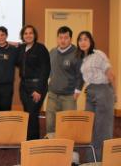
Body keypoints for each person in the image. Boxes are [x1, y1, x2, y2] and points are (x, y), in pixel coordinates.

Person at [76, 31, 116, 162]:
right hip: (91, 91)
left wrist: (114, 93)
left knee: (102, 130)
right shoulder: (84, 58)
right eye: (80, 39)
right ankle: (91, 160)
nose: (83, 42)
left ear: (91, 41)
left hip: (103, 91)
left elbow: (111, 74)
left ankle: (102, 161)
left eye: (85, 39)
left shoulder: (98, 54)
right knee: (90, 128)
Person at [46, 26, 83, 135]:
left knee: (68, 124)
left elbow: (80, 74)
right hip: (52, 94)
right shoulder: (52, 52)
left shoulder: (77, 53)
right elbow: (48, 70)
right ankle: (51, 145)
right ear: (57, 38)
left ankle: (69, 148)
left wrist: (78, 90)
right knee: (50, 123)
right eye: (60, 37)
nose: (62, 40)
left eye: (66, 38)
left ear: (70, 39)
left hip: (69, 96)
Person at [17, 25, 50, 140]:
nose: (28, 35)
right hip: (24, 86)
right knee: (28, 114)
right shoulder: (21, 48)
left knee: (32, 114)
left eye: (30, 33)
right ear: (23, 36)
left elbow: (46, 70)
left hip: (37, 86)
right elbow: (17, 62)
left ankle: (33, 142)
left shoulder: (41, 48)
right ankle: (29, 140)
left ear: (34, 35)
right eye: (25, 33)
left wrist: (39, 90)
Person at [0, 26, 18, 112]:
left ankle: (5, 126)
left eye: (2, 35)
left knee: (5, 112)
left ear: (6, 36)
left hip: (7, 86)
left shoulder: (14, 50)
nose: (0, 37)